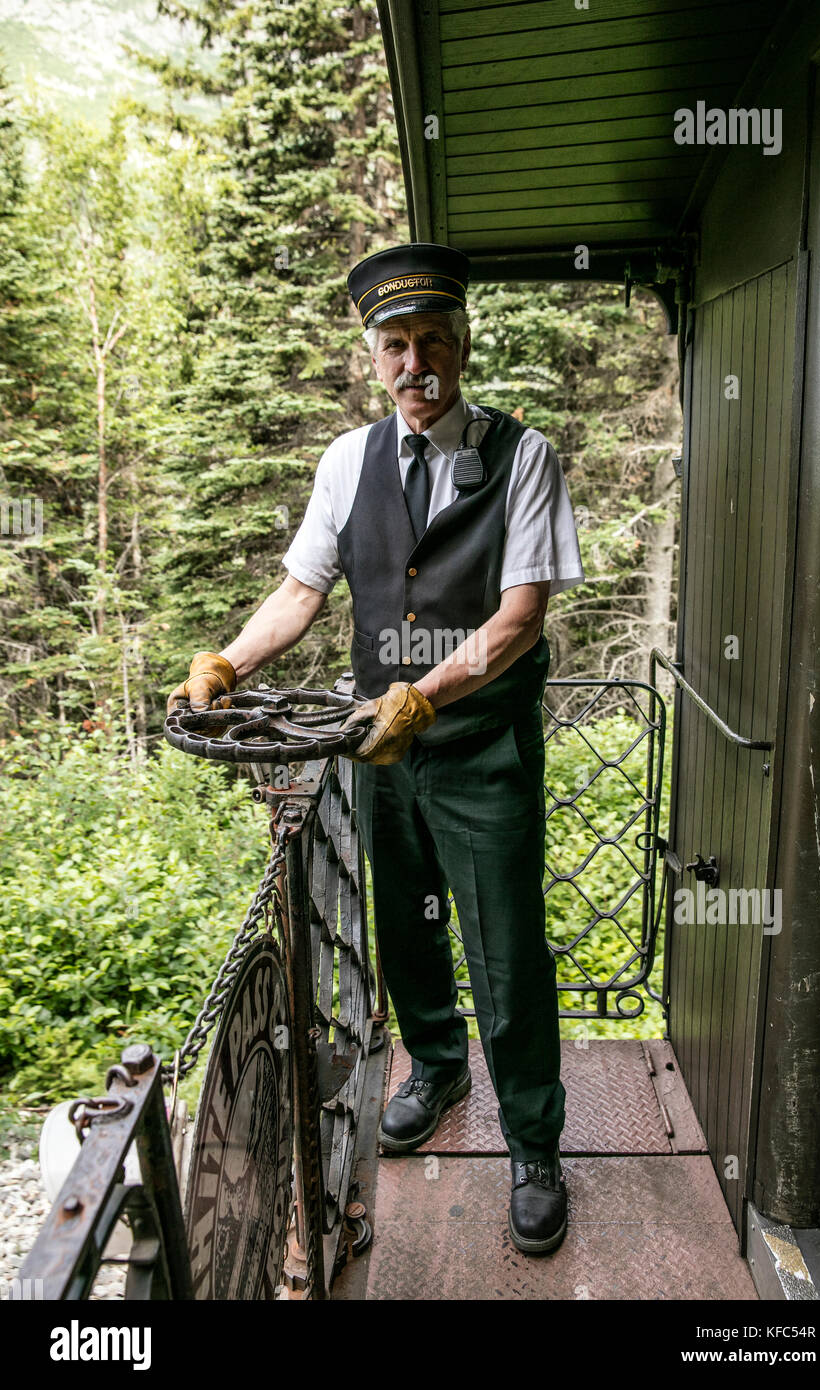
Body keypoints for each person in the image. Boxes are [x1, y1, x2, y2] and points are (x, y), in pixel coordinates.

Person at [167, 243, 584, 1255]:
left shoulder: (521, 455)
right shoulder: (346, 461)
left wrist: (425, 695)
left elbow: (520, 615)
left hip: (479, 747)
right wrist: (229, 657)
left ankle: (532, 1142)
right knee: (403, 924)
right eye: (394, 345)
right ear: (373, 358)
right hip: (379, 752)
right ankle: (436, 1066)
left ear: (462, 346)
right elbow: (302, 590)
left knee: (507, 947)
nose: (414, 362)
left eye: (432, 340)